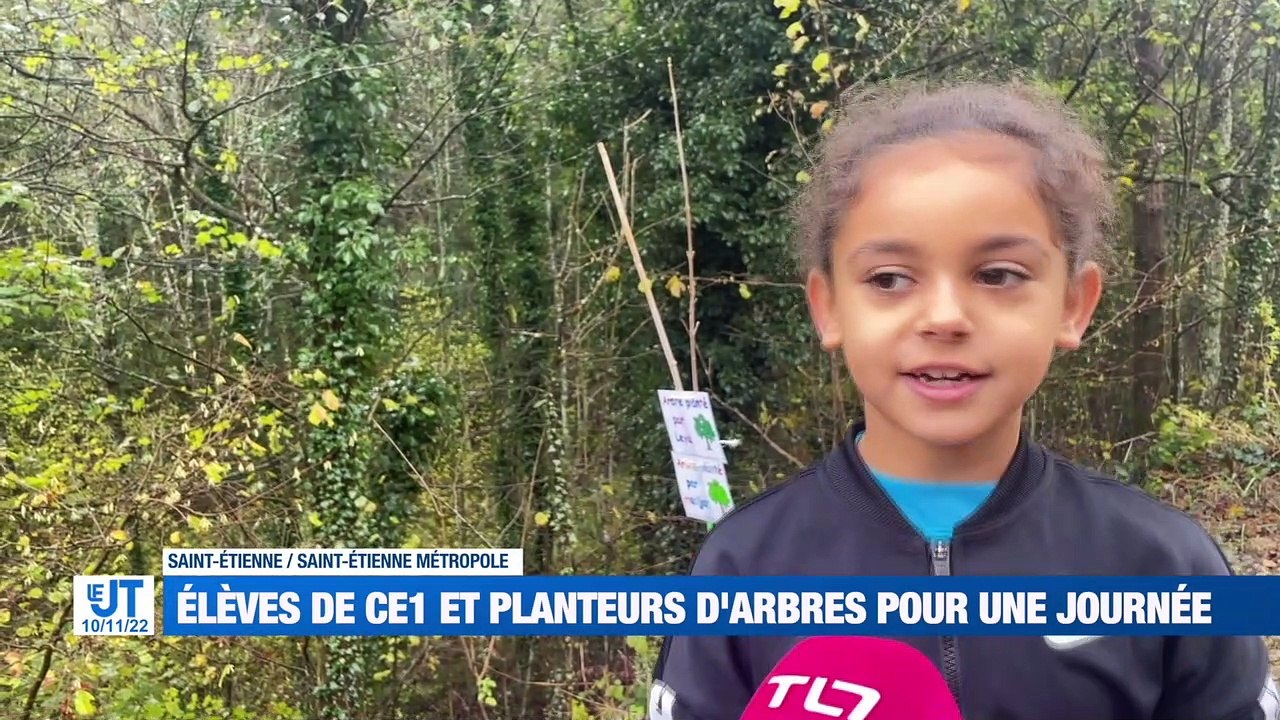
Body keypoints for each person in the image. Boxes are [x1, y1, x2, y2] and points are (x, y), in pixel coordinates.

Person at [647, 80, 1279, 720]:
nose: (944, 317)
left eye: (998, 275)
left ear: (1072, 304)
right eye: (890, 279)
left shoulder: (1162, 564)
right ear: (829, 307)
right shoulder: (742, 567)